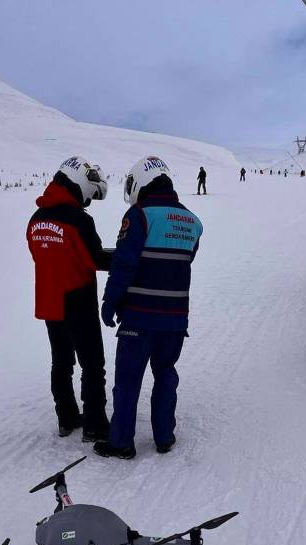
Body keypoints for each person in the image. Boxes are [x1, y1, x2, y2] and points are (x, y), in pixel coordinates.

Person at [94, 156, 203, 460]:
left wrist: (109, 301)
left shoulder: (139, 216)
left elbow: (124, 265)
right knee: (166, 374)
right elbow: (185, 261)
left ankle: (121, 443)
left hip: (139, 318)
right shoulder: (193, 222)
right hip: (176, 320)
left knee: (128, 381)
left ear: (141, 180)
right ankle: (164, 436)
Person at [26, 156, 111, 442]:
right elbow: (96, 258)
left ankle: (66, 418)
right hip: (78, 298)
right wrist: (123, 257)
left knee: (61, 363)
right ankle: (95, 425)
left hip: (50, 300)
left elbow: (39, 256)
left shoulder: (35, 220)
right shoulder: (79, 220)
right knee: (92, 364)